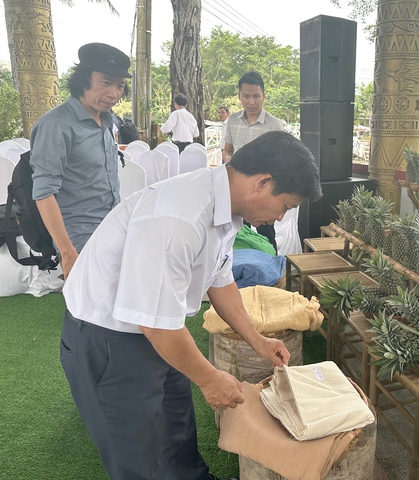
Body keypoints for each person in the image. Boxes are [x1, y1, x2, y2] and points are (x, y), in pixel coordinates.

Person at [60, 131, 322, 480]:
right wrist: (211, 379)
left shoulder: (227, 209)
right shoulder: (178, 217)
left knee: (176, 429)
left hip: (161, 330)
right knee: (138, 456)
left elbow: (221, 280)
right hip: (110, 339)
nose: (280, 218)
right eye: (286, 206)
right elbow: (155, 326)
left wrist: (258, 341)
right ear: (263, 183)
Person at [29, 42, 131, 279]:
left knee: (114, 306)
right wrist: (67, 252)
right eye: (106, 83)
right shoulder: (56, 125)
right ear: (84, 80)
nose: (114, 94)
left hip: (111, 227)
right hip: (79, 236)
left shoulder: (106, 121)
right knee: (86, 311)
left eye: (120, 86)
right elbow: (44, 193)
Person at [222, 72, 284, 252]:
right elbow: (227, 150)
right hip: (238, 187)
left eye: (256, 96)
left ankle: (272, 270)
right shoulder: (233, 120)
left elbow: (281, 161)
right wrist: (230, 160)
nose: (251, 102)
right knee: (238, 232)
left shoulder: (274, 125)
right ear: (239, 96)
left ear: (264, 96)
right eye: (246, 96)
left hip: (264, 190)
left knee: (266, 233)